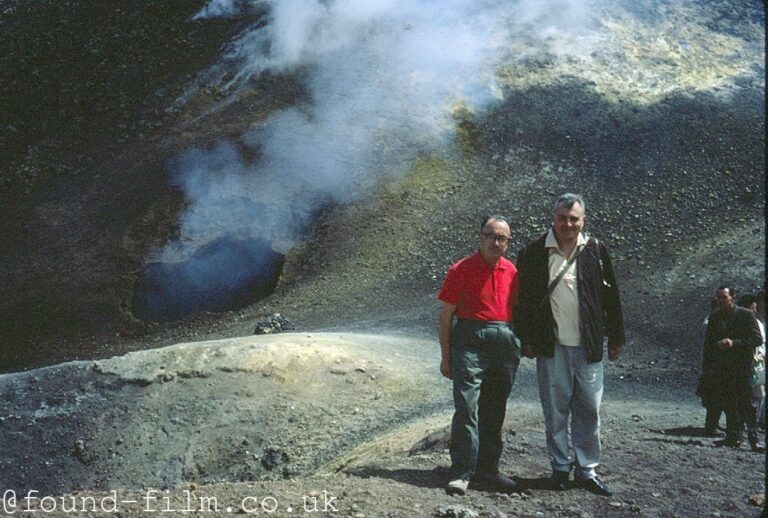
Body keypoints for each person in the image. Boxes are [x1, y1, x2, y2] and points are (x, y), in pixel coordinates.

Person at [515, 193, 624, 497]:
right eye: (562, 217)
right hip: (551, 347)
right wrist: (527, 339)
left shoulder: (596, 251)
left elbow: (611, 298)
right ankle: (560, 467)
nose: (567, 223)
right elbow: (523, 302)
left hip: (588, 346)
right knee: (555, 410)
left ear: (583, 220)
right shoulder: (534, 252)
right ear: (553, 218)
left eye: (574, 218)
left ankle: (587, 470)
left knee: (589, 409)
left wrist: (615, 338)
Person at [438, 215, 521, 496]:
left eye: (501, 238)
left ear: (508, 243)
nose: (494, 242)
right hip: (469, 341)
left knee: (495, 407)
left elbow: (519, 311)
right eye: (490, 235)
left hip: (505, 343)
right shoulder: (460, 269)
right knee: (467, 406)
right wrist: (446, 357)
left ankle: (488, 469)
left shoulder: (512, 271)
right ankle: (462, 471)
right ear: (480, 237)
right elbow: (446, 315)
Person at [702, 286, 762, 451]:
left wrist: (734, 343)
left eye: (725, 297)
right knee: (729, 403)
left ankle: (753, 439)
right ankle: (733, 437)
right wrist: (708, 367)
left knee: (748, 404)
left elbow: (757, 339)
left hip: (743, 367)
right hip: (724, 368)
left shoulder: (746, 315)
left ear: (733, 298)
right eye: (719, 297)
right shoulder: (715, 318)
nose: (721, 301)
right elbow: (708, 344)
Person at [698, 299, 724, 436]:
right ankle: (711, 426)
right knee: (713, 396)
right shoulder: (711, 322)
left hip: (712, 364)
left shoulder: (715, 321)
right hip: (712, 365)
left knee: (716, 396)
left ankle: (714, 424)